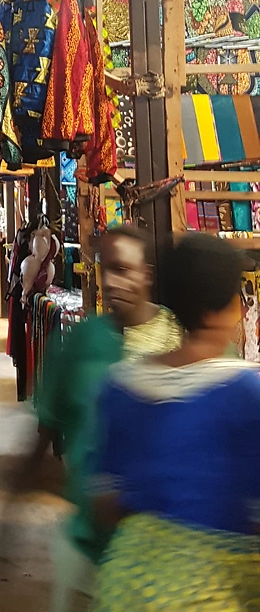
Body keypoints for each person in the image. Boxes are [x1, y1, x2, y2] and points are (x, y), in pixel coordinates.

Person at [90, 234, 260, 612]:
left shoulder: (119, 384)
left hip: (124, 586)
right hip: (207, 595)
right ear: (229, 308)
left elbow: (104, 505)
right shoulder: (248, 393)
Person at [34, 225, 181, 612]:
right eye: (106, 270)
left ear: (146, 274)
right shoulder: (81, 342)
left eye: (124, 270)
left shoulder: (178, 343)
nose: (113, 282)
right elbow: (42, 433)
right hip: (86, 547)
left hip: (160, 554)